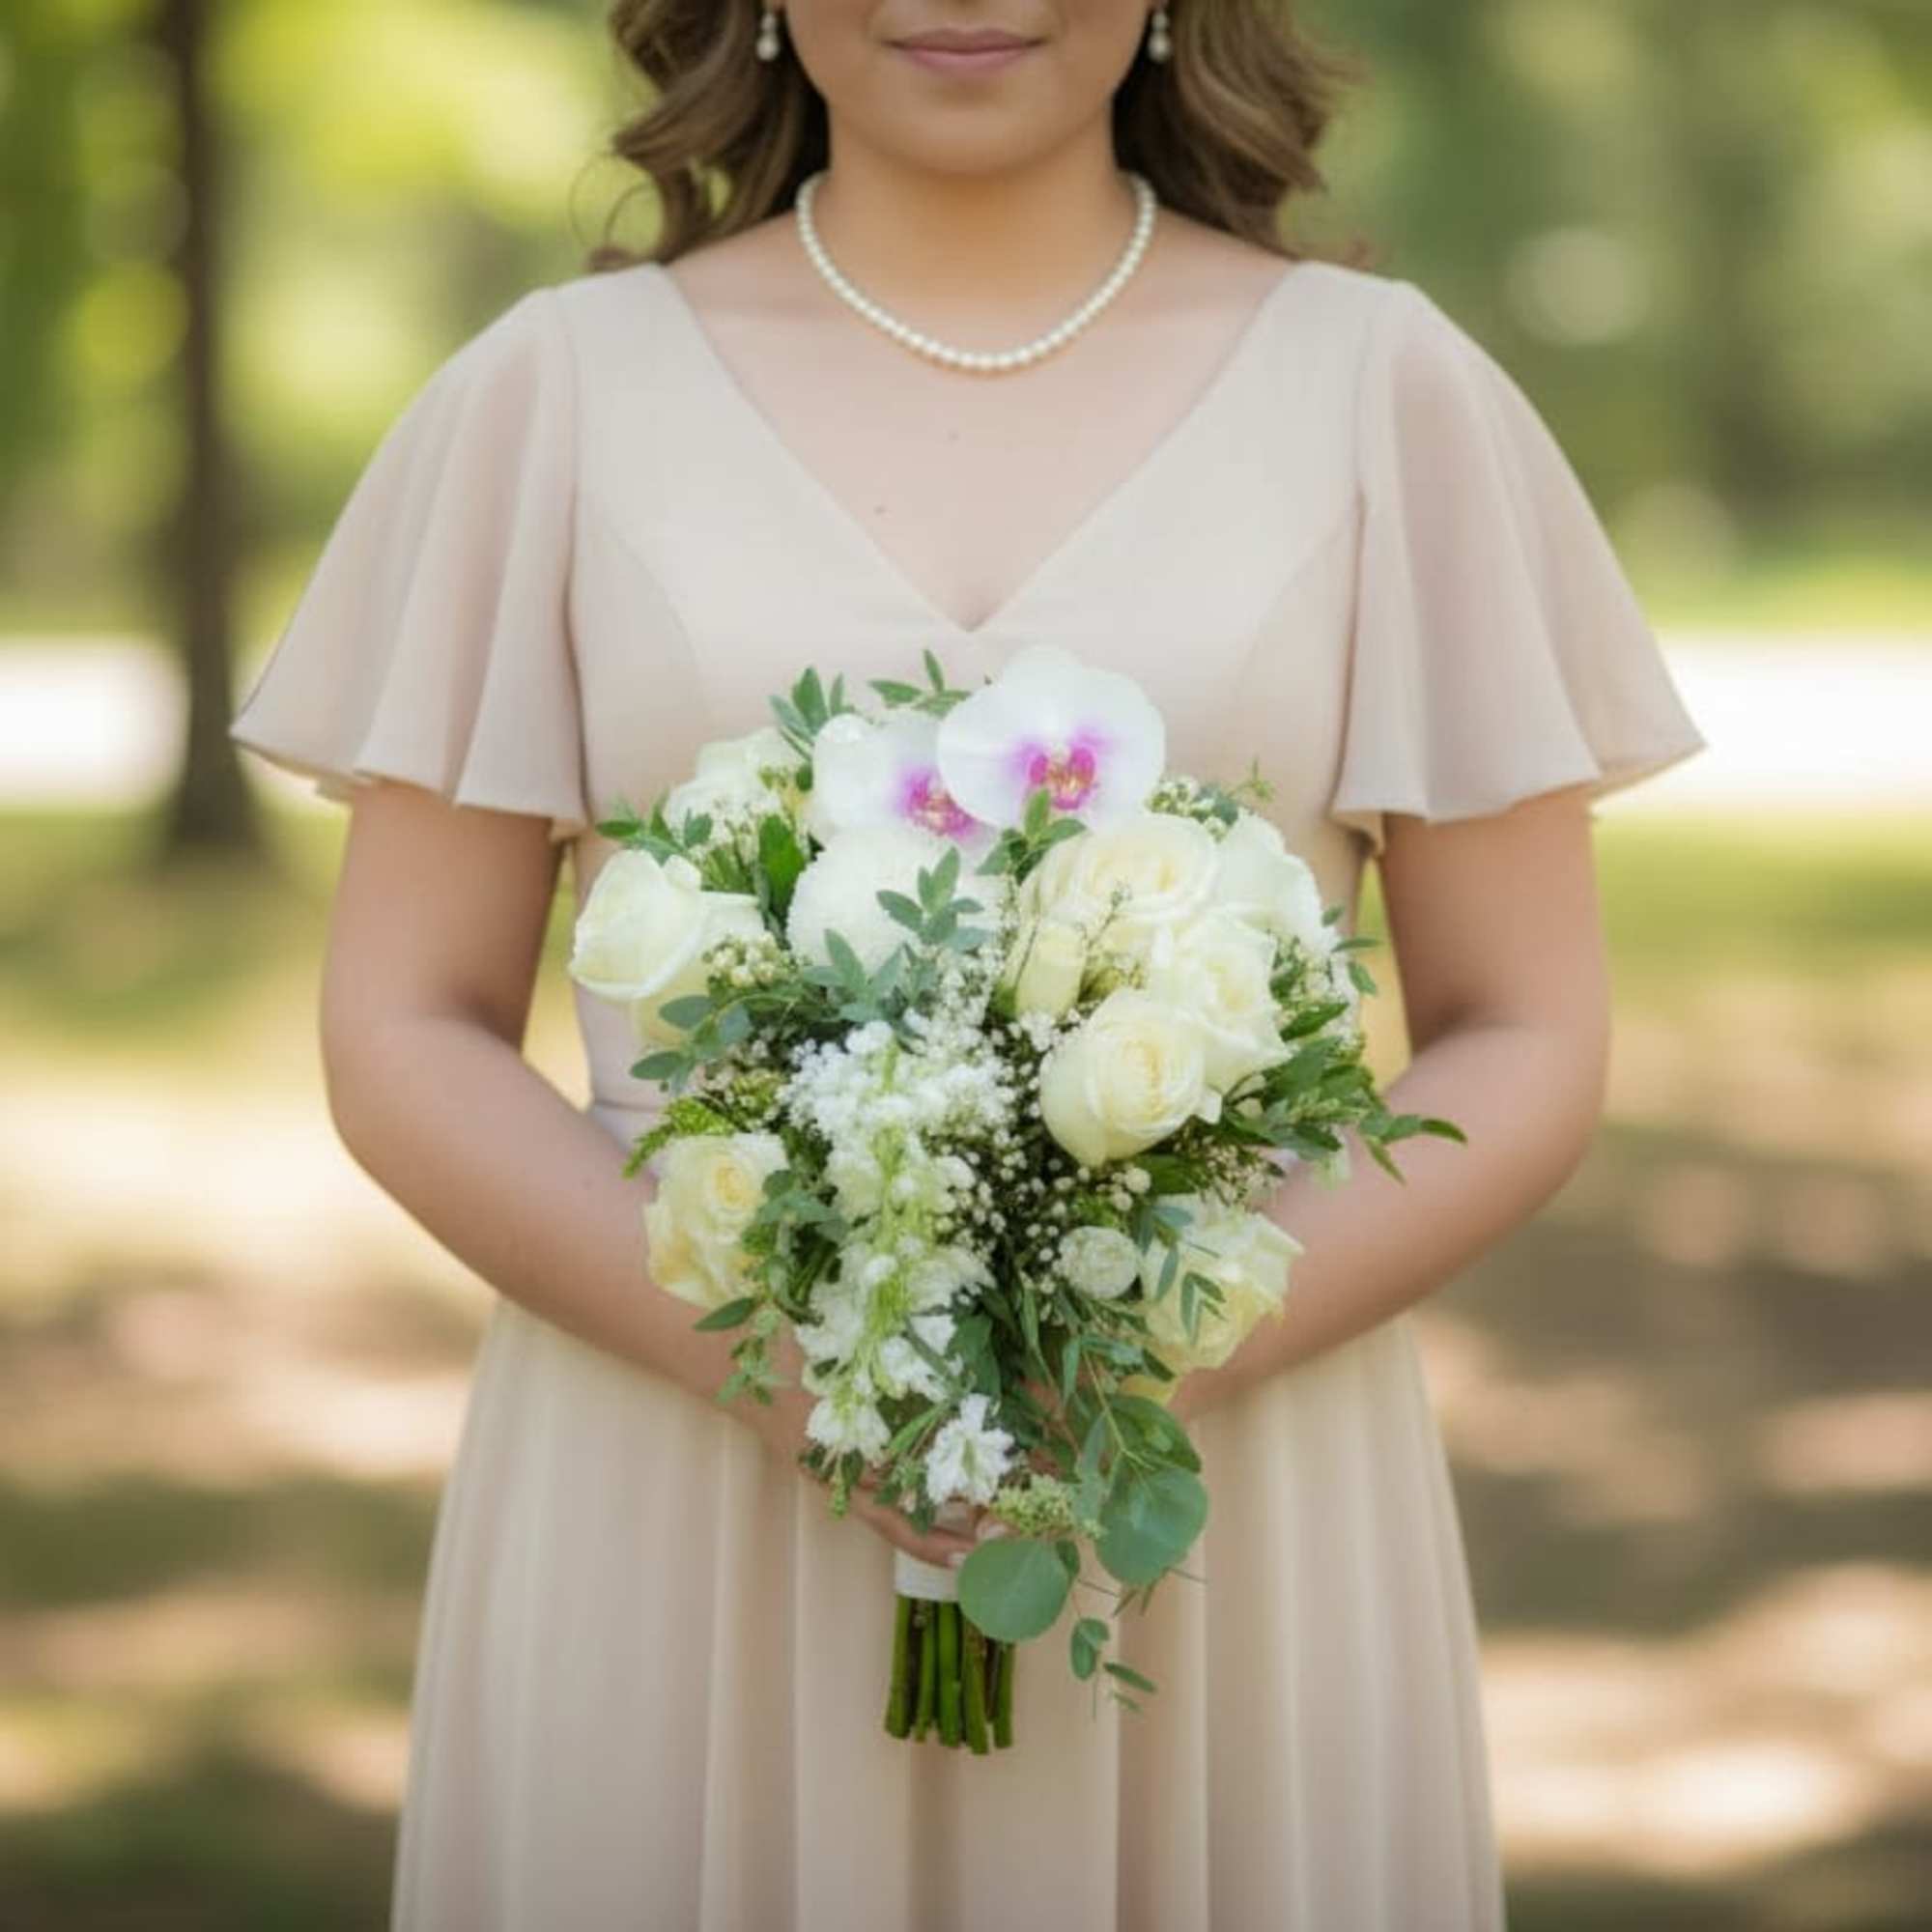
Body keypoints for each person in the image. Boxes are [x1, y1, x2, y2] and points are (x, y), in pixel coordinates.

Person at [229, 4, 1708, 1927]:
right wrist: (803, 1382)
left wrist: (1130, 1361)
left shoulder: (1385, 393)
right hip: (676, 1455)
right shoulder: (549, 399)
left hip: (1212, 1467)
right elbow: (401, 1026)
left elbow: (1527, 1030)